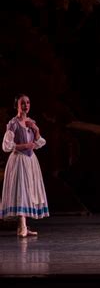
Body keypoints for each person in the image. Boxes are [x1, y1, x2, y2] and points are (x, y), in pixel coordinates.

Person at [0, 94, 48, 237]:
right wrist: (25, 145)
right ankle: (22, 226)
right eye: (22, 103)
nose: (25, 105)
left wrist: (36, 129)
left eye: (27, 102)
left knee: (28, 191)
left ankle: (24, 225)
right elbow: (7, 146)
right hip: (19, 160)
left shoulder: (31, 122)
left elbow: (40, 142)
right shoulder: (13, 123)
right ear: (17, 105)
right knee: (21, 191)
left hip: (30, 161)